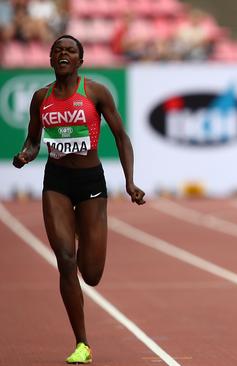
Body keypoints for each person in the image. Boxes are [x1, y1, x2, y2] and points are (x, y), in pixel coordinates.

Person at [12, 35, 146, 364]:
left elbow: (121, 136)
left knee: (92, 274)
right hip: (56, 183)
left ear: (80, 61)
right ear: (50, 60)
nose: (63, 54)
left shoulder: (96, 92)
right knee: (65, 261)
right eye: (57, 50)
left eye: (70, 51)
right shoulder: (40, 98)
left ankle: (83, 233)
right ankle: (82, 343)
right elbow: (33, 140)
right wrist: (25, 154)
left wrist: (130, 182)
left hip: (91, 183)